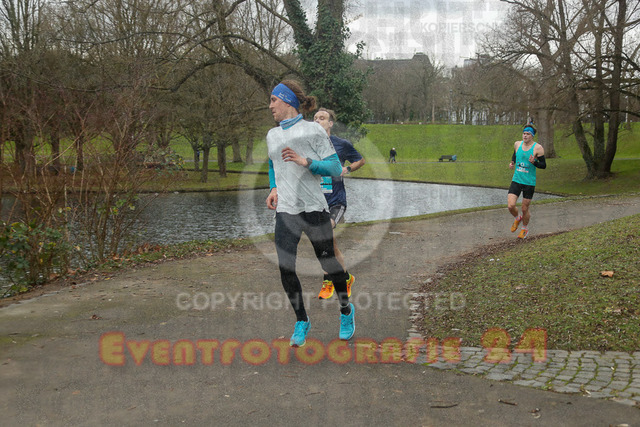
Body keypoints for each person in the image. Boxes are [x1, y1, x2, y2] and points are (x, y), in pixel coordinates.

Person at [266, 80, 355, 347]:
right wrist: (273, 187)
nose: (270, 106)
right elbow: (273, 164)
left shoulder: (312, 130)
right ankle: (302, 320)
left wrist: (307, 162)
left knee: (329, 265)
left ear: (287, 101)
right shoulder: (272, 135)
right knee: (285, 267)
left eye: (273, 100)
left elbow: (335, 167)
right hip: (286, 210)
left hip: (314, 207)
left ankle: (346, 310)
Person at [313, 107, 366, 300]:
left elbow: (361, 160)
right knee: (330, 244)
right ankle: (346, 278)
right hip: (317, 201)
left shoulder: (341, 144)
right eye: (315, 118)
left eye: (322, 118)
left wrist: (347, 169)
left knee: (325, 234)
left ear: (330, 123)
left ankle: (328, 281)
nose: (318, 120)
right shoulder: (309, 145)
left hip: (336, 201)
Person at [508, 125, 546, 239]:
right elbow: (515, 154)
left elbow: (543, 165)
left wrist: (534, 162)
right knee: (511, 206)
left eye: (528, 134)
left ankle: (524, 229)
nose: (525, 136)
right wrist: (512, 162)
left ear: (532, 136)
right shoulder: (517, 144)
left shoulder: (538, 148)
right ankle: (517, 218)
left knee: (524, 208)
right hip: (516, 179)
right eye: (524, 133)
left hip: (529, 182)